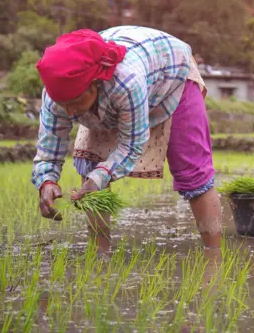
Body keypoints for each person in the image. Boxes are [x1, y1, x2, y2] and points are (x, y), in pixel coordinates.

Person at [32, 26, 223, 249]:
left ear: (95, 84)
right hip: (129, 79)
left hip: (172, 75)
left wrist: (101, 177)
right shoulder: (57, 93)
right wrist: (46, 181)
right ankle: (100, 254)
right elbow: (48, 149)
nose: (70, 112)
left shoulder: (126, 82)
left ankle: (215, 255)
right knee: (90, 162)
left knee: (193, 171)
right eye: (63, 104)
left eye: (75, 102)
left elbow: (131, 145)